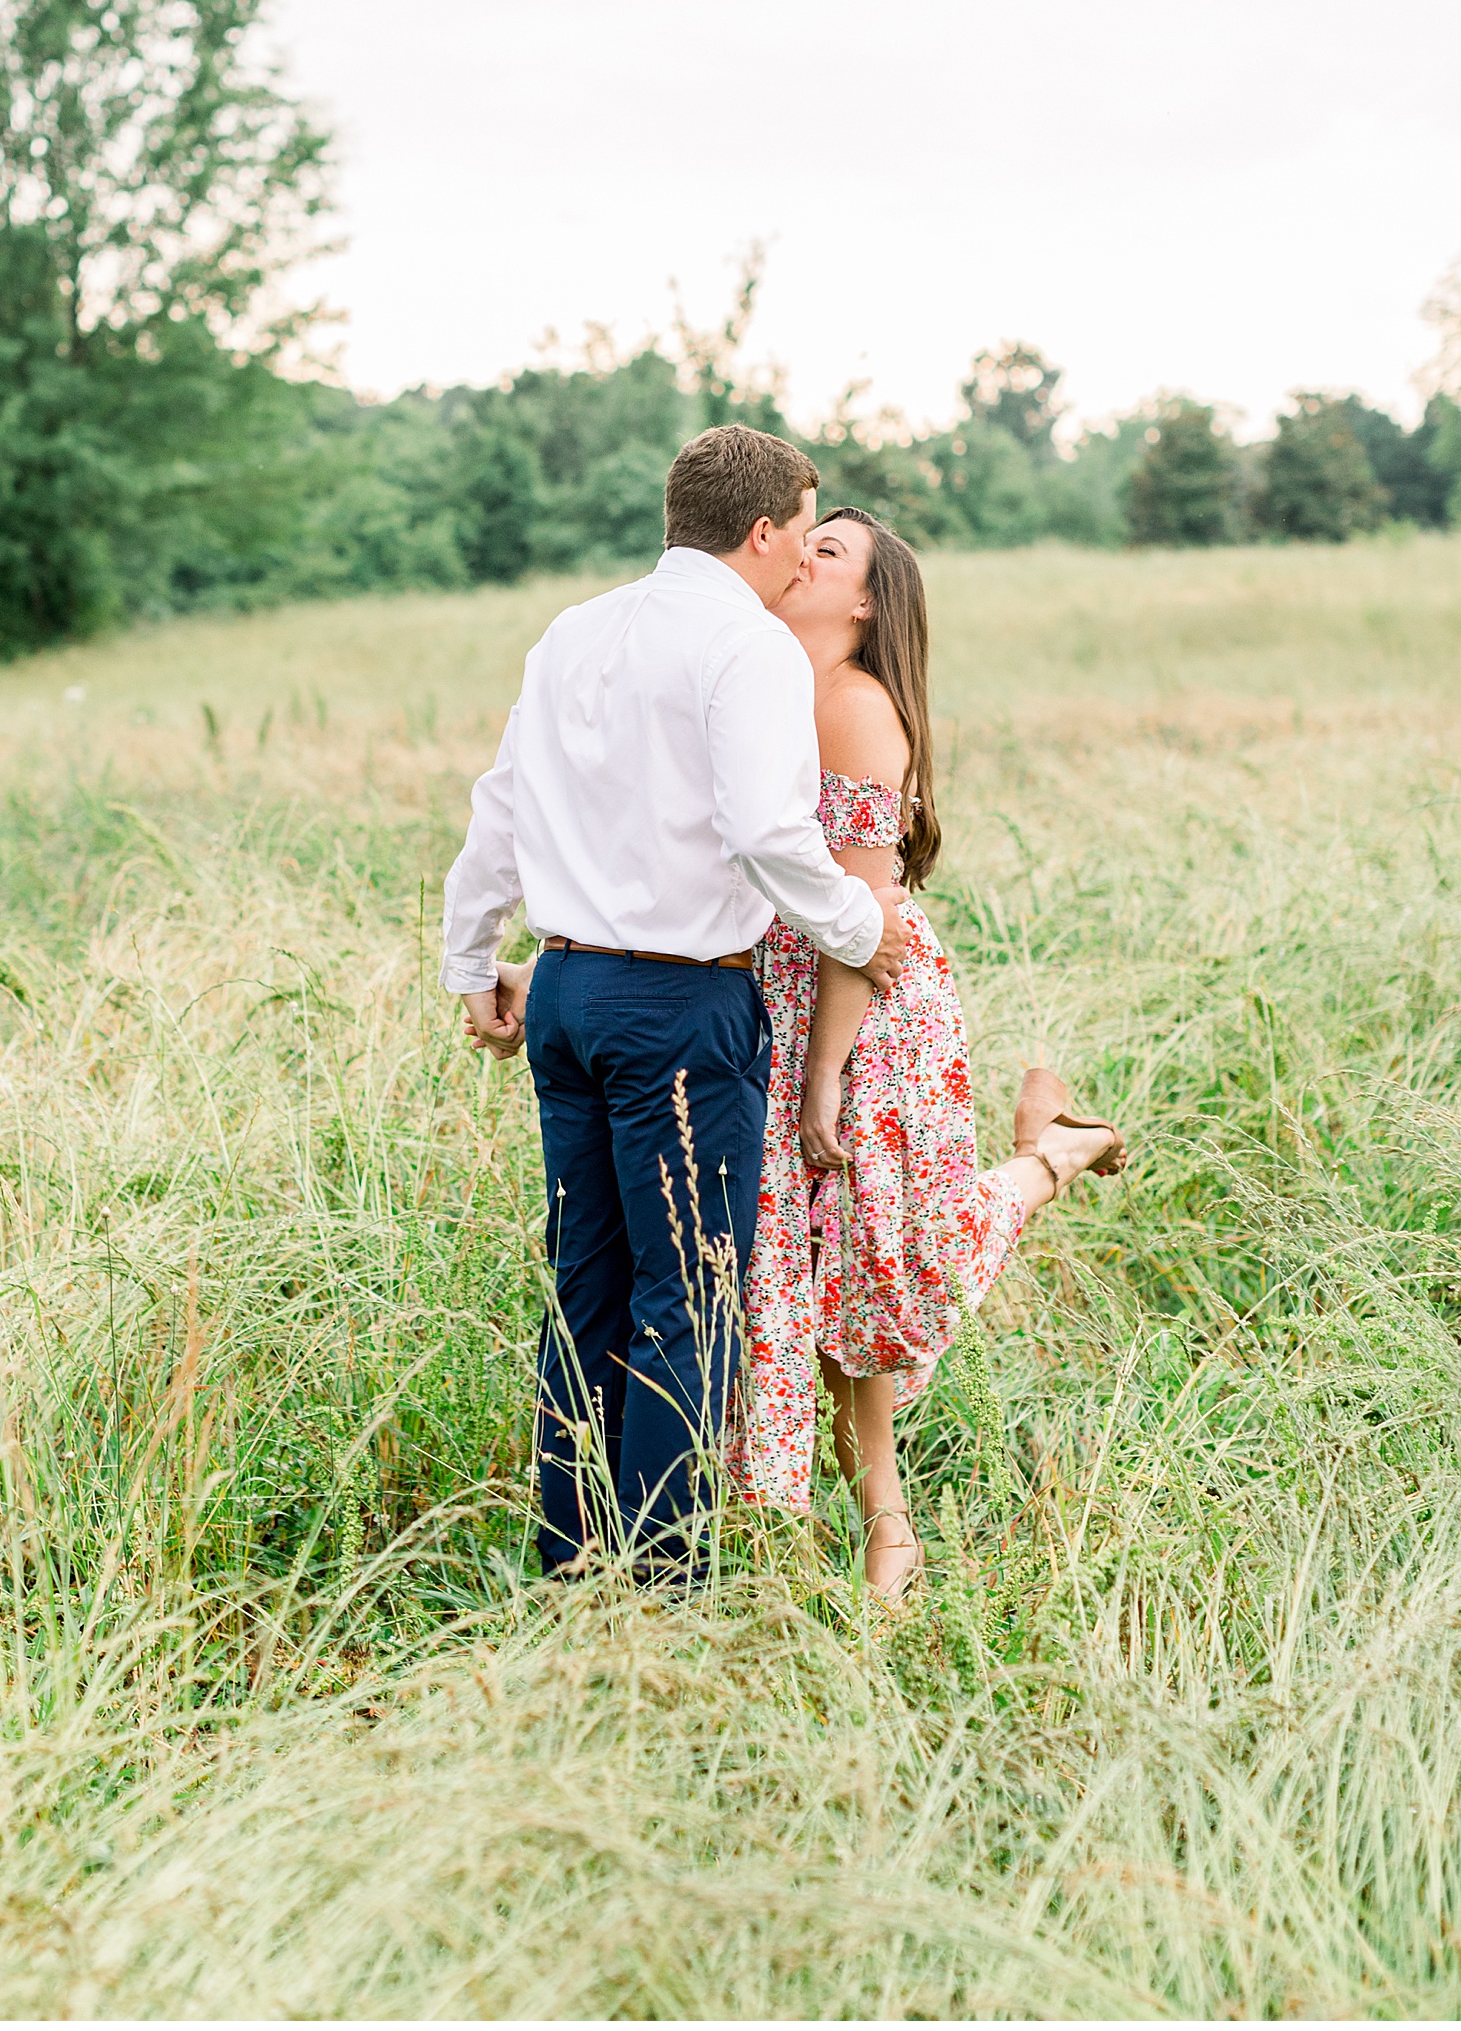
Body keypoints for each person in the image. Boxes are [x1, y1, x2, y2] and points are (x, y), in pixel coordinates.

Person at [440, 426, 912, 1585]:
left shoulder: (573, 628)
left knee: (585, 1287)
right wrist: (864, 929)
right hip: (681, 1008)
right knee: (687, 1295)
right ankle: (663, 1587)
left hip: (563, 989)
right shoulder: (742, 645)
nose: (809, 555)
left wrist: (470, 964)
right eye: (806, 531)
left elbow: (500, 807)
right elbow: (766, 832)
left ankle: (571, 1561)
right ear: (762, 531)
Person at [724, 506, 1126, 1601]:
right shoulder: (764, 686)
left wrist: (821, 1076)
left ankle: (1056, 1150)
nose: (806, 553)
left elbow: (866, 915)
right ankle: (873, 1530)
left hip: (867, 1015)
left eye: (834, 549)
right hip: (774, 999)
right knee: (823, 1273)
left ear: (864, 602)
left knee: (887, 1264)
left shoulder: (856, 710)